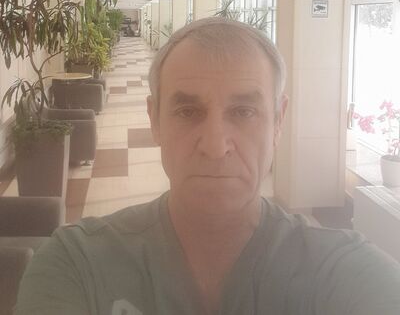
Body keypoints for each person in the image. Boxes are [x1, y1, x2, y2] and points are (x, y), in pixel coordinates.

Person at [16, 17, 400, 315]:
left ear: (278, 121)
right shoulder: (76, 264)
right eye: (187, 111)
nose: (216, 147)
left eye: (244, 111)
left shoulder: (347, 274)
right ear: (155, 119)